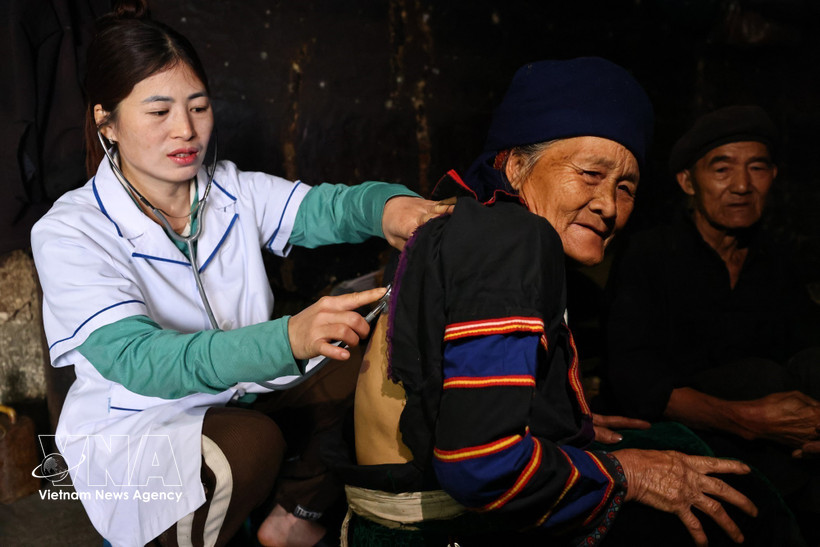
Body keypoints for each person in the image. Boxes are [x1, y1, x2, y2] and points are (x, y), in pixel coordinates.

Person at [30, 3, 450, 546]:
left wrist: (390, 208)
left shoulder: (230, 190)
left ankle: (294, 516)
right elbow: (138, 360)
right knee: (250, 443)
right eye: (158, 112)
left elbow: (327, 209)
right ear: (105, 121)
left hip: (243, 395)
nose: (186, 130)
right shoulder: (70, 230)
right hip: (141, 431)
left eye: (199, 107)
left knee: (381, 344)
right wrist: (288, 337)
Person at [333, 58, 774, 547]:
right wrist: (624, 474)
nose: (609, 204)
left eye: (625, 187)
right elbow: (479, 465)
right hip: (438, 528)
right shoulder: (514, 237)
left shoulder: (464, 221)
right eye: (589, 173)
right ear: (516, 164)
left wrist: (546, 414)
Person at [604, 104, 820, 537]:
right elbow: (630, 379)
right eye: (722, 169)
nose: (742, 185)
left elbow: (807, 348)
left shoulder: (776, 260)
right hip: (679, 443)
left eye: (757, 168)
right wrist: (747, 418)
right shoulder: (650, 255)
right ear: (688, 182)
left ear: (773, 177)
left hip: (778, 451)